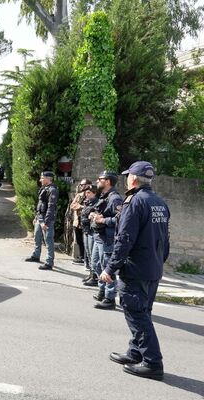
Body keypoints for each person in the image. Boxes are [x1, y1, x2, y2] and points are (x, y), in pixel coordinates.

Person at [101, 161, 169, 380]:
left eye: (127, 176)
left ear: (132, 179)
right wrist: (159, 262)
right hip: (153, 268)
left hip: (136, 270)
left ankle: (153, 363)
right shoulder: (159, 202)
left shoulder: (134, 203)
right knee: (144, 312)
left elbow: (124, 239)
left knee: (136, 314)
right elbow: (165, 240)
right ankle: (135, 352)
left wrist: (110, 268)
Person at [90, 171, 123, 309]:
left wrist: (102, 219)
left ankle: (110, 298)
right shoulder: (104, 196)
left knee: (107, 268)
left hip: (107, 239)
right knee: (96, 264)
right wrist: (94, 215)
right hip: (99, 236)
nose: (97, 181)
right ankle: (102, 290)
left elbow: (120, 219)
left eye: (100, 179)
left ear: (108, 181)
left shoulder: (115, 198)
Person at [25, 171, 58, 270]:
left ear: (48, 178)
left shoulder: (53, 190)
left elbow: (51, 208)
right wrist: (37, 217)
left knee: (48, 241)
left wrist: (46, 222)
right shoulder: (44, 188)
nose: (40, 180)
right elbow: (40, 205)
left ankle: (49, 262)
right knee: (37, 238)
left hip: (46, 219)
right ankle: (36, 255)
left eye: (42, 178)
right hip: (40, 218)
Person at [70, 179, 93, 265]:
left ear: (89, 184)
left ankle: (87, 259)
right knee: (79, 240)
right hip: (78, 222)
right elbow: (72, 205)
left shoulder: (92, 194)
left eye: (83, 185)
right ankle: (82, 257)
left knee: (87, 241)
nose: (81, 186)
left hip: (87, 222)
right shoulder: (79, 195)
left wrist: (82, 207)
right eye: (81, 185)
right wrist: (80, 206)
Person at [79, 185, 99, 285]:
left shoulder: (97, 202)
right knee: (88, 252)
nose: (86, 194)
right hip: (86, 230)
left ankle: (94, 276)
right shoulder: (87, 202)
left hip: (91, 231)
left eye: (89, 193)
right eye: (86, 192)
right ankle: (91, 274)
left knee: (92, 254)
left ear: (94, 193)